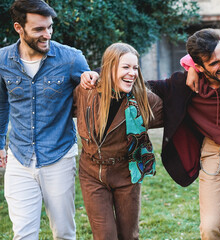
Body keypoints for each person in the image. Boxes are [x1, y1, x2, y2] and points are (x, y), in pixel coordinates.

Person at [151, 29, 220, 239]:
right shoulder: (185, 85)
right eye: (214, 64)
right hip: (214, 155)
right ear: (199, 67)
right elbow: (146, 86)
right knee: (209, 228)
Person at [0, 0, 93, 239]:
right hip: (19, 159)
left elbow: (93, 95)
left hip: (59, 156)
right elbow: (1, 106)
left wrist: (92, 78)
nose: (47, 34)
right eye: (39, 29)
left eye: (50, 27)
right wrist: (0, 144)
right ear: (19, 28)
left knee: (63, 232)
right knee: (23, 234)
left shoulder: (71, 59)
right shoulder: (2, 61)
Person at [74, 42, 163, 239]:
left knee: (128, 235)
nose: (132, 73)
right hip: (91, 174)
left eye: (135, 68)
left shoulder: (144, 100)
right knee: (105, 236)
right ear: (110, 68)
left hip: (126, 174)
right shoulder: (86, 92)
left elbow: (176, 110)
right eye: (126, 67)